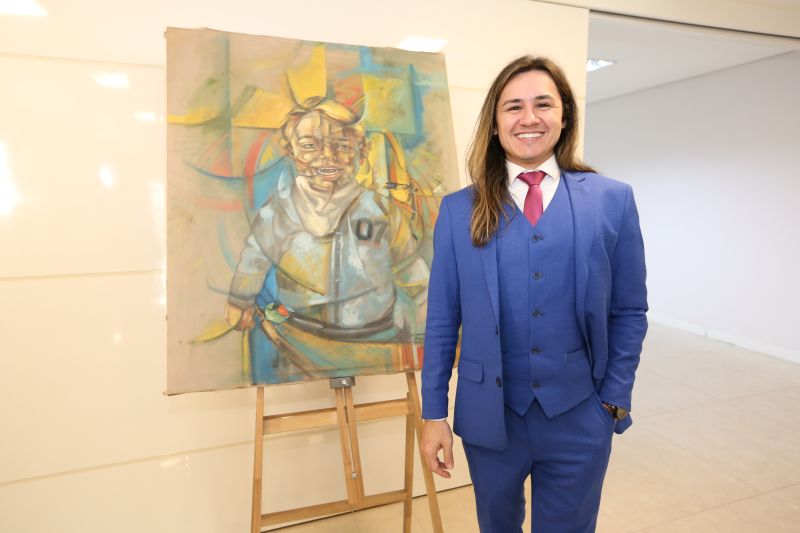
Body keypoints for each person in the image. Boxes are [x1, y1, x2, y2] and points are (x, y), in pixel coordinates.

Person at [420, 55, 648, 532]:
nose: (529, 118)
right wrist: (434, 413)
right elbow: (442, 319)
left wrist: (613, 401)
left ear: (564, 116)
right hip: (490, 419)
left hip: (580, 416)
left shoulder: (612, 200)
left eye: (543, 104)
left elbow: (628, 309)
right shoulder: (459, 210)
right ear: (495, 122)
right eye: (513, 107)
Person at [225, 97, 429, 383]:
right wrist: (240, 300)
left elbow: (409, 263)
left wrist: (426, 303)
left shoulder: (380, 210)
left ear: (361, 152)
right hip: (300, 339)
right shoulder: (279, 212)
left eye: (342, 146)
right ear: (291, 151)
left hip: (376, 338)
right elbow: (254, 259)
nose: (327, 155)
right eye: (310, 145)